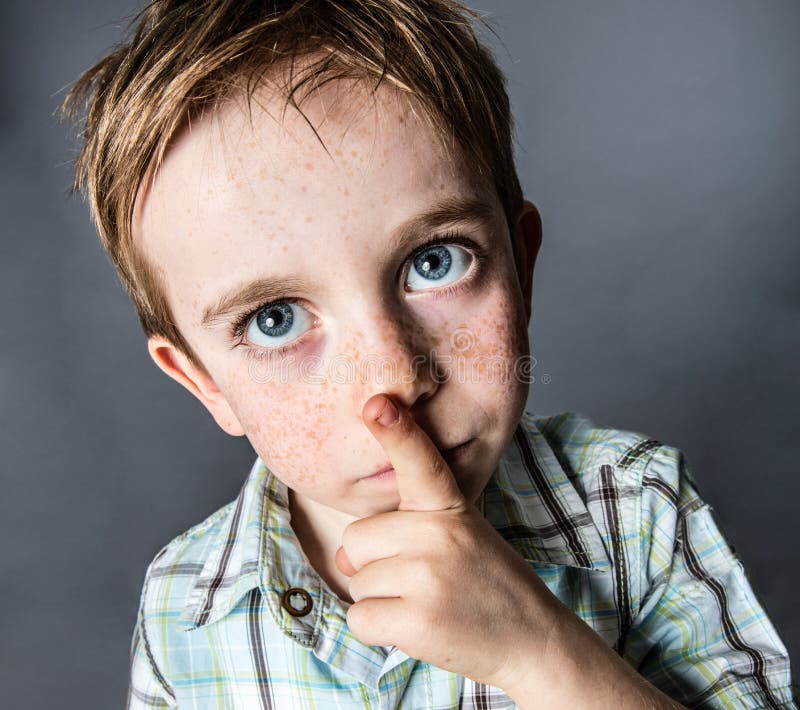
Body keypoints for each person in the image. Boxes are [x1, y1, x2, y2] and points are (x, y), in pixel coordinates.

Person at [62, 1, 795, 707]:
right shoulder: (181, 605)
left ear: (521, 264)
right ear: (203, 383)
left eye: (435, 263)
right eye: (275, 318)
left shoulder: (638, 511)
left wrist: (537, 653)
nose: (394, 377)